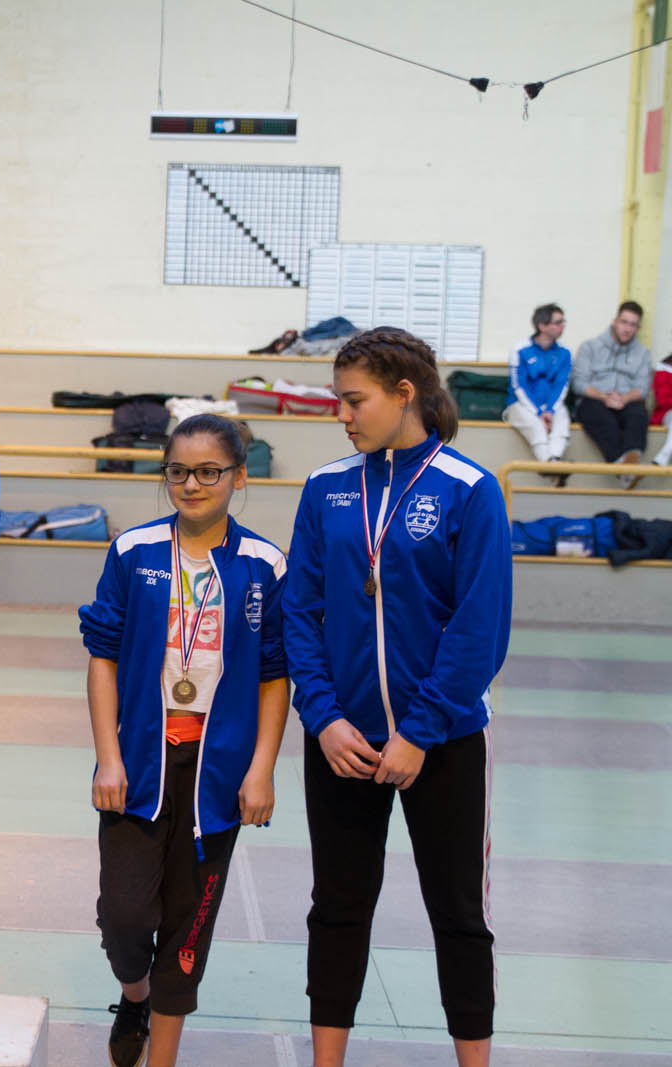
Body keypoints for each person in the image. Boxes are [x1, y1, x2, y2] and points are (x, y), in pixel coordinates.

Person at [285, 327, 511, 1067]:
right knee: (337, 908)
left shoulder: (469, 489)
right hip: (342, 743)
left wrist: (419, 731)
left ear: (404, 393)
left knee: (459, 913)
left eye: (354, 400)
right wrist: (323, 717)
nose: (342, 415)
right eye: (338, 400)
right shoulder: (325, 490)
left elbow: (479, 625)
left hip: (443, 743)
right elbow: (300, 612)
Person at [79, 414, 289, 1067]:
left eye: (208, 471)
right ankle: (133, 995)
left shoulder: (263, 564)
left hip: (216, 773)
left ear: (239, 476)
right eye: (177, 471)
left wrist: (262, 769)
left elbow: (274, 676)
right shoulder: (133, 550)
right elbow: (103, 658)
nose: (191, 484)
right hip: (140, 763)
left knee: (187, 929)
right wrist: (108, 757)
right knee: (123, 918)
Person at [572, 301, 653, 486]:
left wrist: (624, 398)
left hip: (626, 401)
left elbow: (642, 388)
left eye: (633, 325)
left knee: (638, 413)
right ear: (615, 321)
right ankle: (628, 471)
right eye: (624, 322)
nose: (627, 329)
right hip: (595, 400)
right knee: (598, 414)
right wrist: (604, 397)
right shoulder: (589, 347)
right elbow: (579, 383)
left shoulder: (643, 353)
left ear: (638, 328)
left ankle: (629, 461)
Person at [503, 303, 570, 475]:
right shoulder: (520, 349)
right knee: (536, 426)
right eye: (558, 322)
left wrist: (550, 410)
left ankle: (552, 463)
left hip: (551, 406)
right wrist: (539, 412)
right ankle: (553, 468)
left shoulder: (565, 352)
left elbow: (561, 385)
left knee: (562, 420)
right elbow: (519, 386)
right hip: (521, 405)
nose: (563, 326)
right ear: (542, 326)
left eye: (563, 322)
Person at [651, 351, 672, 466]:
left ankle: (663, 456)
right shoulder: (664, 369)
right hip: (667, 413)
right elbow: (663, 400)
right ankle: (664, 455)